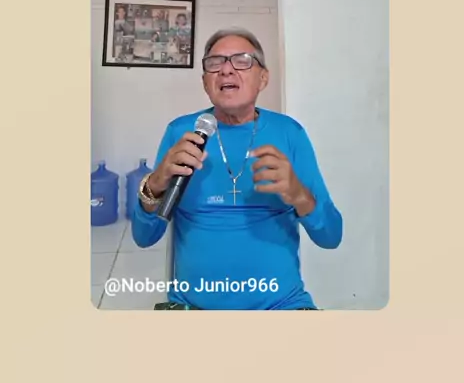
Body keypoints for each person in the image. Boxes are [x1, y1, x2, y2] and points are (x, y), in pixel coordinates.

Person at [132, 28, 342, 310]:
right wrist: (155, 184)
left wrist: (299, 195)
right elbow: (144, 238)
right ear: (205, 82)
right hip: (194, 309)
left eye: (242, 61)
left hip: (281, 307)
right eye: (215, 62)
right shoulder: (181, 132)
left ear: (263, 78)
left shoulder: (289, 133)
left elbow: (331, 237)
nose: (226, 70)